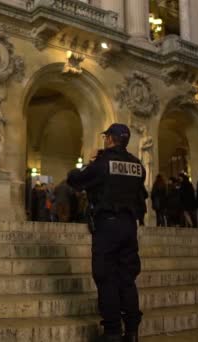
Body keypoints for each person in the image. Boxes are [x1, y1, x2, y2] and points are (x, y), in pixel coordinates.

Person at [67, 123, 144, 342]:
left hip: (107, 225)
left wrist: (84, 165)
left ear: (110, 139)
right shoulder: (138, 165)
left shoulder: (102, 163)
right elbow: (141, 197)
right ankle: (132, 331)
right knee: (127, 279)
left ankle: (112, 332)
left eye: (106, 137)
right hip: (129, 226)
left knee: (106, 278)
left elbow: (76, 181)